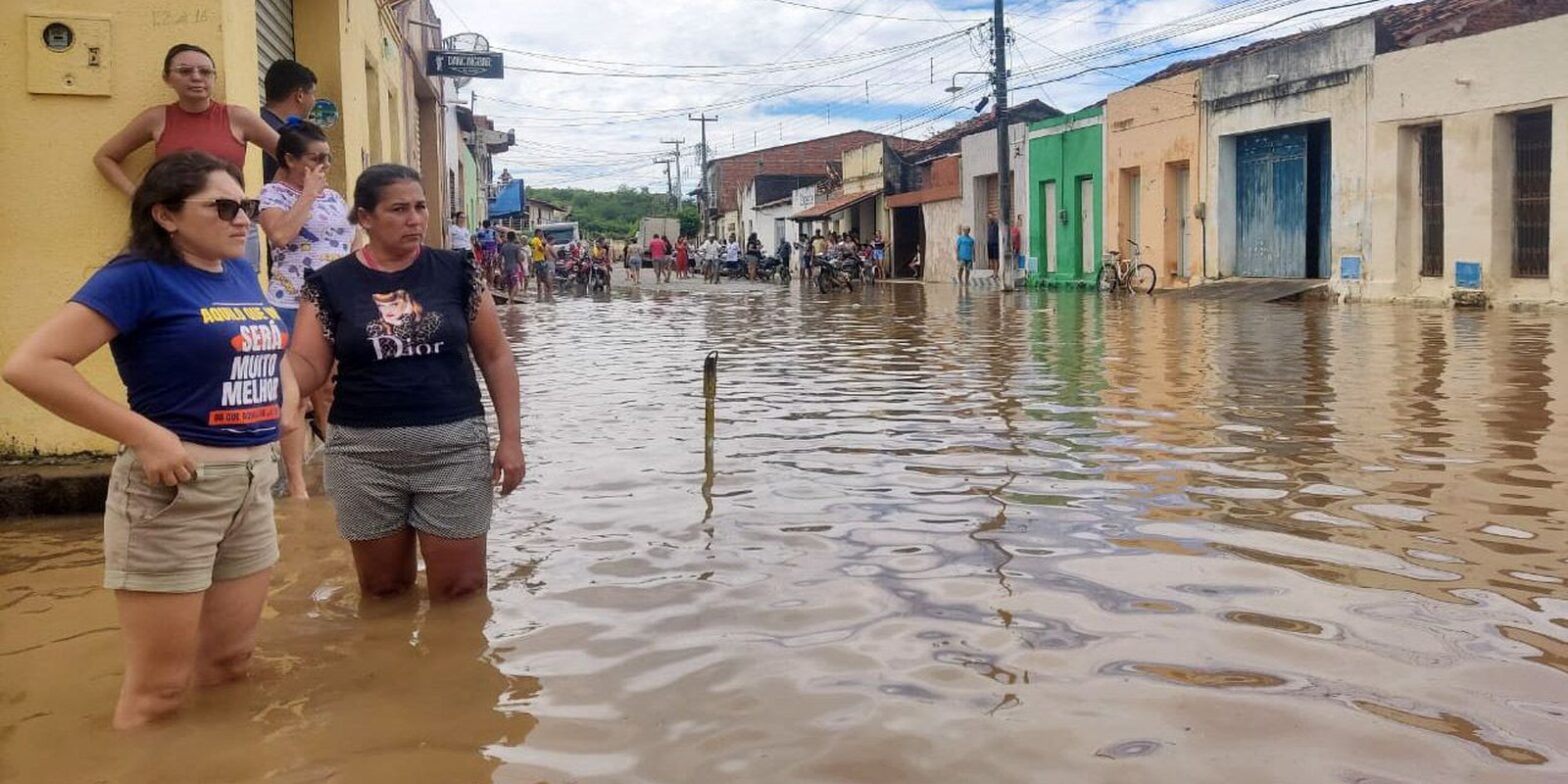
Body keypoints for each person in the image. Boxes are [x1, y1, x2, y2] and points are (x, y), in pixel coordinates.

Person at [3, 151, 295, 729]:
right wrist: (144, 435)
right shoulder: (135, 276)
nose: (243, 219)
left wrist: (285, 394)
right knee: (158, 692)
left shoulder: (237, 266)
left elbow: (267, 336)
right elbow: (32, 365)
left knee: (231, 666)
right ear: (165, 216)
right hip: (175, 491)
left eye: (248, 206)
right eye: (224, 207)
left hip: (252, 483)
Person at [287, 164, 524, 603]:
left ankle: (455, 669)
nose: (415, 219)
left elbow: (496, 356)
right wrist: (279, 379)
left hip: (453, 449)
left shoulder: (458, 272)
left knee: (462, 590)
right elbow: (308, 363)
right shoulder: (329, 285)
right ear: (365, 218)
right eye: (399, 209)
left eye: (420, 207)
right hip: (363, 456)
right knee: (383, 590)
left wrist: (511, 440)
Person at [95, 44, 279, 270]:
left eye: (205, 72)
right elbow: (105, 157)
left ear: (214, 77)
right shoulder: (156, 118)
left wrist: (274, 201)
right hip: (177, 227)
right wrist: (138, 196)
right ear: (167, 78)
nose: (196, 78)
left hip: (233, 222)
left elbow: (291, 157)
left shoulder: (238, 117)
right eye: (184, 71)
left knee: (239, 294)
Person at [257, 119, 355, 499]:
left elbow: (350, 243)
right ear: (289, 159)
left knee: (330, 391)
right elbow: (280, 235)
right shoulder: (274, 196)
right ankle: (297, 487)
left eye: (327, 159)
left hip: (333, 306)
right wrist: (307, 195)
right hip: (290, 305)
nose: (323, 167)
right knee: (293, 396)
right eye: (315, 159)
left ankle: (341, 472)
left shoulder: (334, 197)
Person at [259, 59, 318, 184]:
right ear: (300, 95)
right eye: (313, 94)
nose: (314, 100)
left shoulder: (254, 122)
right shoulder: (288, 137)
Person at [499, 231, 524, 302]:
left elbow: (499, 258)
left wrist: (501, 268)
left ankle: (511, 301)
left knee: (510, 286)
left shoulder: (504, 247)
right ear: (514, 238)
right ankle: (510, 300)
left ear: (507, 237)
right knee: (515, 285)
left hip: (506, 268)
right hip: (514, 268)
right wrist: (522, 268)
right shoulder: (516, 247)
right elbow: (519, 259)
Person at [530, 229, 553, 302]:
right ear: (537, 233)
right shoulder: (537, 239)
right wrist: (543, 247)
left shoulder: (534, 240)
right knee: (545, 279)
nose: (541, 234)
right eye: (541, 233)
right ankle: (549, 295)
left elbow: (531, 245)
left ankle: (540, 296)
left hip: (536, 261)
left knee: (539, 280)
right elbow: (541, 249)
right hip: (540, 261)